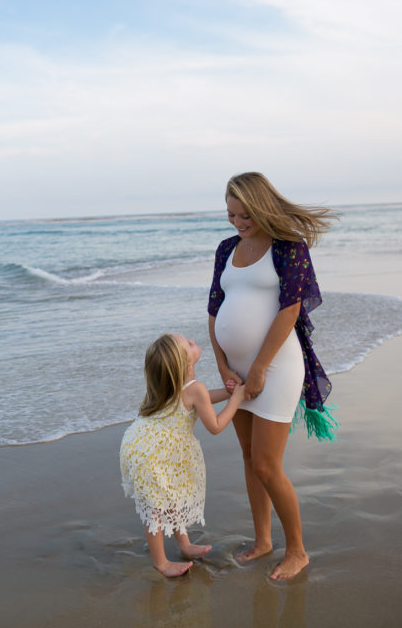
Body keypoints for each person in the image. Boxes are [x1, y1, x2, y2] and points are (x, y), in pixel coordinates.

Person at [207, 171, 336, 581]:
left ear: (262, 207)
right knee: (248, 458)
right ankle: (263, 541)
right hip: (237, 369)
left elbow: (290, 310)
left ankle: (297, 550)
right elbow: (214, 310)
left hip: (277, 367)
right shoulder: (226, 248)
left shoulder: (288, 246)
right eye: (231, 215)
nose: (238, 223)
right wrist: (224, 366)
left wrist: (259, 368)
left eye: (245, 214)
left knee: (266, 464)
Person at [120, 333, 246, 577]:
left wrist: (226, 392)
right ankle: (161, 563)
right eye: (188, 343)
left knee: (170, 498)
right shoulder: (194, 389)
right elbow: (216, 426)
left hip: (139, 446)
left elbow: (199, 399)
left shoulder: (169, 387)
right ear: (185, 363)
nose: (193, 340)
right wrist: (237, 399)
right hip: (151, 455)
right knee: (155, 508)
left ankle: (185, 545)